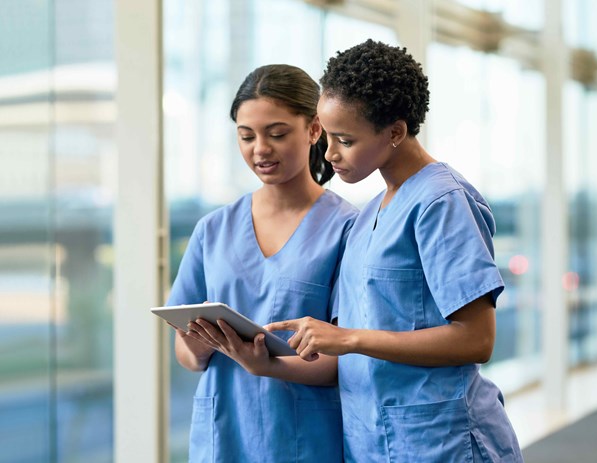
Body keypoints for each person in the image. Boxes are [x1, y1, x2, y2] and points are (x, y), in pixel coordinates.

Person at [266, 40, 525, 462]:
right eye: (327, 136)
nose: (329, 154)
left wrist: (348, 338)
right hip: (373, 441)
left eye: (345, 140)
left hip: (441, 441)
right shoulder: (368, 215)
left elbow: (477, 339)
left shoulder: (441, 203)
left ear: (395, 132)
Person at [166, 64, 358, 463]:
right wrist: (199, 347)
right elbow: (185, 355)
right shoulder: (212, 229)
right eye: (246, 136)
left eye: (277, 134)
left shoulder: (347, 229)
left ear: (314, 130)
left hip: (304, 440)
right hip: (224, 437)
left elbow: (347, 360)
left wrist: (267, 365)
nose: (260, 150)